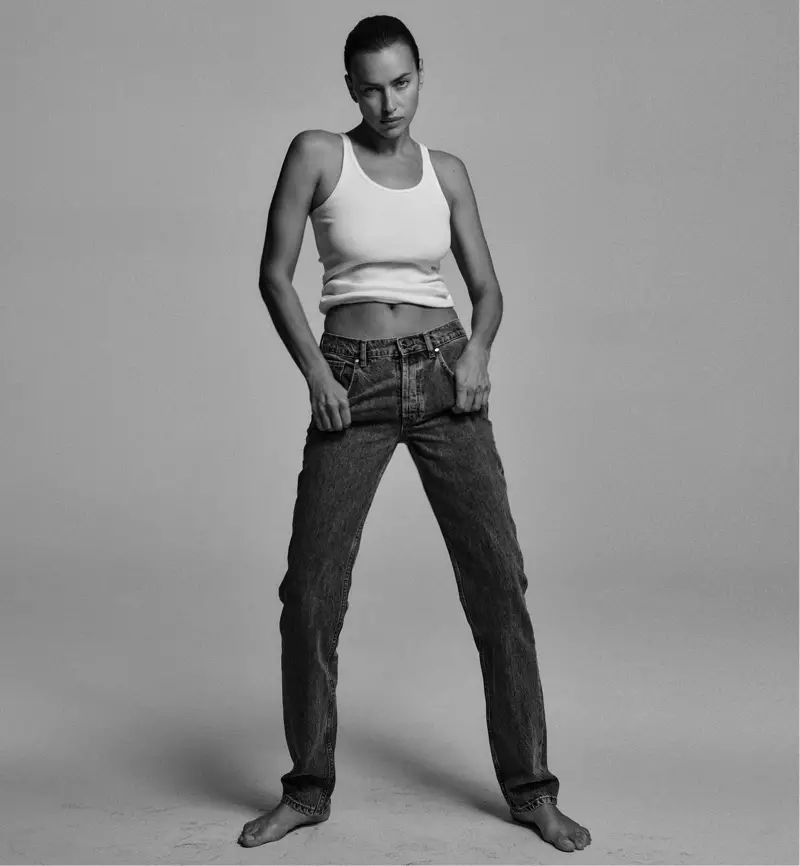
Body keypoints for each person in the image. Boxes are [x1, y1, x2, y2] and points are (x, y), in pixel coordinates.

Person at [238, 14, 591, 854]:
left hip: (442, 375)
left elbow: (488, 290)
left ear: (420, 77)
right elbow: (274, 276)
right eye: (370, 87)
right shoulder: (318, 153)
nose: (388, 102)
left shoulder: (447, 172)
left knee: (498, 586)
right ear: (350, 88)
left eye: (401, 83)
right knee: (311, 596)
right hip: (350, 381)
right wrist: (316, 375)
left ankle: (532, 791)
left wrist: (478, 354)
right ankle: (307, 790)